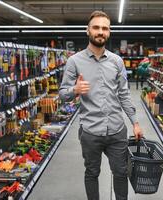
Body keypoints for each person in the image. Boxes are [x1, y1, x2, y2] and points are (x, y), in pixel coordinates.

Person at [59, 10, 143, 200]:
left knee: (121, 173)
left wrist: (135, 122)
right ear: (87, 30)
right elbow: (63, 95)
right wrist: (75, 90)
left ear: (109, 32)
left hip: (116, 130)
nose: (100, 31)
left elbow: (124, 94)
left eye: (104, 28)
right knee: (92, 173)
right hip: (90, 132)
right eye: (96, 27)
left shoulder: (117, 61)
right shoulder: (74, 61)